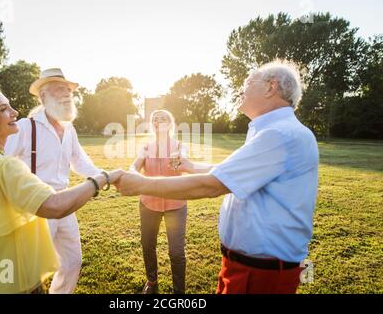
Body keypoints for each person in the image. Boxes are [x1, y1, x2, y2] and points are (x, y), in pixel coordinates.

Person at [115, 60, 319, 294]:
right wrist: (191, 166)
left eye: (248, 81)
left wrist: (141, 184)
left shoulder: (279, 134)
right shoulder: (272, 131)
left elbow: (212, 185)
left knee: (176, 251)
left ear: (270, 87)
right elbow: (226, 170)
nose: (242, 87)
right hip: (246, 266)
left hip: (261, 274)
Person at [0, 80, 123, 294]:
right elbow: (55, 205)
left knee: (72, 261)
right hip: (12, 270)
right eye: (4, 109)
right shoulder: (7, 163)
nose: (15, 112)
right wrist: (105, 178)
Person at [5, 68, 100, 294]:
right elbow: (3, 163)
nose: (67, 94)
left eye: (67, 90)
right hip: (36, 207)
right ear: (43, 96)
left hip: (65, 203)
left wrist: (104, 177)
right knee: (31, 271)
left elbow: (79, 161)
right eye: (59, 89)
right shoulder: (26, 126)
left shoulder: (69, 129)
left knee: (72, 262)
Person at [130, 109, 189, 294]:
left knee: (177, 251)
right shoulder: (146, 147)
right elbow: (135, 166)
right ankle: (152, 282)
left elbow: (184, 159)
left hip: (176, 205)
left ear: (170, 123)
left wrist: (180, 160)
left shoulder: (179, 145)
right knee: (148, 244)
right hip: (149, 204)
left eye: (163, 118)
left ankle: (179, 292)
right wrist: (132, 172)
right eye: (155, 119)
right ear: (152, 124)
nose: (159, 121)